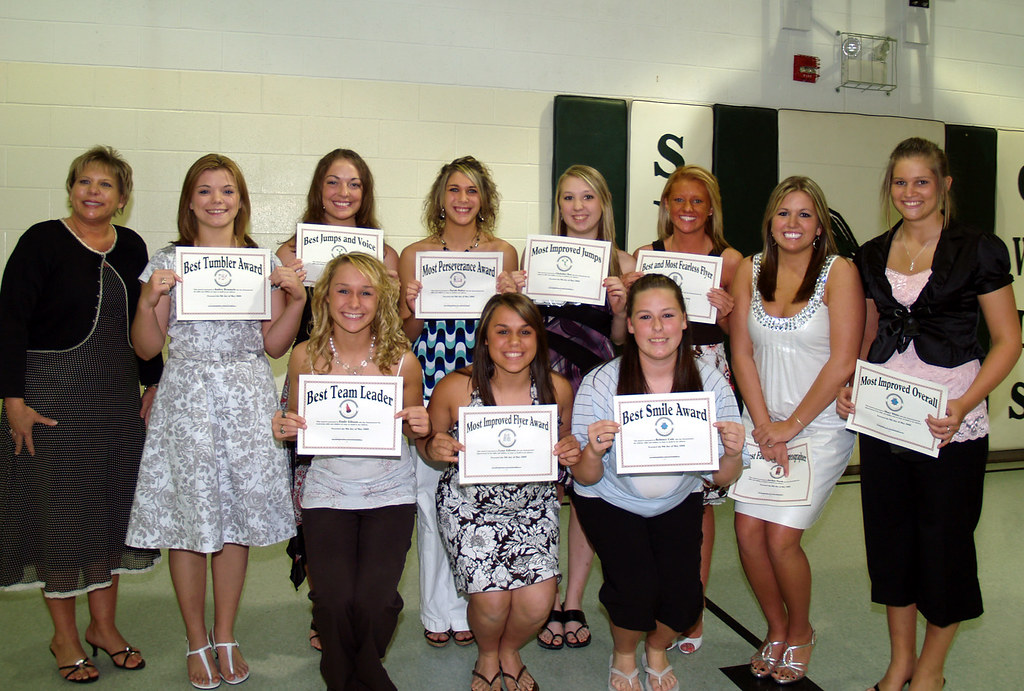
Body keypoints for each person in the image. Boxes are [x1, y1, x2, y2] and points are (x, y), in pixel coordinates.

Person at [836, 137, 1020, 691]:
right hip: (886, 421)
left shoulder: (978, 249)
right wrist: (850, 385)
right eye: (899, 182)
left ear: (944, 185)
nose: (909, 193)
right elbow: (865, 337)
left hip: (950, 426)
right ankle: (899, 664)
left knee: (945, 549)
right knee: (891, 544)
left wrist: (964, 403)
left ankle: (931, 672)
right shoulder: (870, 253)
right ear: (888, 188)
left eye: (922, 181)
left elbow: (1009, 341)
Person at [125, 154, 306, 689]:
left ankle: (225, 634)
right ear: (189, 202)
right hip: (186, 397)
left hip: (246, 396)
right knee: (189, 520)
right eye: (205, 191)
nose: (216, 200)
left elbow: (272, 344)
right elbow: (147, 346)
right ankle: (196, 638)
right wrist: (148, 299)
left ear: (241, 201)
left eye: (227, 191)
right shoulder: (167, 261)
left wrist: (294, 300)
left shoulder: (260, 262)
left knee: (235, 523)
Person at [0, 146, 162, 683]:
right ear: (71, 188)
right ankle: (64, 636)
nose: (93, 192)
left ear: (122, 197)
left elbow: (145, 321)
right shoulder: (40, 241)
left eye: (106, 185)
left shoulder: (133, 246)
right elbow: (11, 323)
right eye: (84, 182)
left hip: (115, 400)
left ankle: (104, 628)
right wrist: (14, 403)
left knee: (110, 516)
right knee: (62, 520)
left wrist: (155, 382)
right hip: (50, 404)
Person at [571, 273, 745, 691]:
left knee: (685, 600)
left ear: (685, 320)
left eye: (668, 315)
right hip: (609, 499)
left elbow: (721, 478)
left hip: (678, 500)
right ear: (629, 324)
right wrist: (592, 451)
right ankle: (626, 653)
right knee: (634, 590)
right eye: (645, 317)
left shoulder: (709, 381)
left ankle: (657, 647)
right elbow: (584, 476)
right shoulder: (601, 382)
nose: (657, 327)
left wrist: (734, 452)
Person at [272, 252, 430, 690]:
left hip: (390, 492)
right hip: (328, 492)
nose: (354, 301)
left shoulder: (403, 362)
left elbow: (417, 432)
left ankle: (361, 665)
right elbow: (293, 423)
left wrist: (422, 424)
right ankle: (347, 673)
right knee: (332, 599)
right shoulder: (304, 357)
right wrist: (284, 425)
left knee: (377, 602)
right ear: (325, 297)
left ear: (381, 301)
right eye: (343, 290)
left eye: (366, 292)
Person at [728, 176, 864, 684]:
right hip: (762, 420)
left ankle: (802, 630)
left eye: (804, 215)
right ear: (770, 221)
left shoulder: (839, 273)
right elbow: (741, 350)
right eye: (784, 213)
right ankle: (776, 628)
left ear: (820, 225)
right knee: (746, 533)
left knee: (782, 538)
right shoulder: (749, 268)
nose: (792, 224)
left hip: (819, 423)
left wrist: (791, 425)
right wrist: (764, 424)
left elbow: (842, 360)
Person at [417, 292, 580, 691]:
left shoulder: (557, 388)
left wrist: (571, 448)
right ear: (485, 339)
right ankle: (489, 654)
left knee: (538, 603)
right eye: (502, 331)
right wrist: (433, 446)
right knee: (490, 602)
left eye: (525, 332)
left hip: (533, 505)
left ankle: (511, 648)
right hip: (469, 505)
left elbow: (563, 441)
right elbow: (429, 444)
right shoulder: (454, 388)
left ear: (539, 338)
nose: (513, 342)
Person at [276, 148, 400, 651]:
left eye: (354, 184)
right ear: (318, 189)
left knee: (364, 493)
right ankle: (323, 603)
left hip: (364, 382)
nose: (343, 193)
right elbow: (278, 339)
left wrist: (402, 294)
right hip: (313, 377)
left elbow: (398, 331)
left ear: (365, 193)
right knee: (315, 500)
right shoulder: (290, 251)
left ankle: (355, 599)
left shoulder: (384, 255)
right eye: (333, 182)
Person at [398, 156, 519, 648]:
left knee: (475, 504)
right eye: (454, 190)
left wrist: (511, 295)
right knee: (430, 502)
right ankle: (435, 610)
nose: (462, 199)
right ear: (440, 197)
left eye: (472, 191)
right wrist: (409, 306)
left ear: (484, 199)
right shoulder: (415, 254)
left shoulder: (502, 253)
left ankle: (471, 608)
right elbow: (404, 336)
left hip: (482, 383)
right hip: (429, 379)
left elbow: (509, 327)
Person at [515, 165, 633, 652]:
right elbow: (519, 324)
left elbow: (625, 339)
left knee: (586, 489)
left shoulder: (625, 262)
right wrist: (513, 289)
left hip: (596, 382)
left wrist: (623, 306)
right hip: (544, 382)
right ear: (558, 205)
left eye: (587, 197)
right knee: (544, 487)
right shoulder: (536, 256)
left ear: (604, 202)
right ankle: (545, 592)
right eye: (568, 198)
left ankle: (574, 599)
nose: (578, 207)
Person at [632, 165, 742, 654]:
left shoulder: (731, 259)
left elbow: (742, 337)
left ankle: (691, 609)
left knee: (698, 497)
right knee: (649, 487)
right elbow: (627, 325)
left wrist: (728, 312)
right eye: (679, 201)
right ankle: (652, 604)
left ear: (711, 207)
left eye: (698, 201)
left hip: (705, 373)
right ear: (666, 206)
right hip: (650, 378)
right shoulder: (645, 256)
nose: (689, 210)